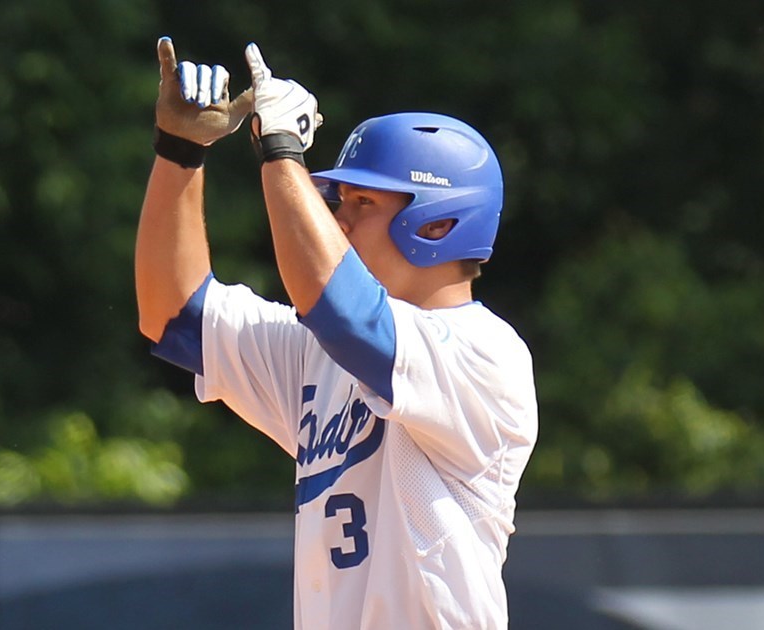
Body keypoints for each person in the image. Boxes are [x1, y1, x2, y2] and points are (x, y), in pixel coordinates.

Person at [134, 37, 538, 630]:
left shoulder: (486, 353)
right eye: (338, 200)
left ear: (439, 223)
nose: (337, 219)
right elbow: (173, 315)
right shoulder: (321, 350)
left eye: (361, 202)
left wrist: (280, 152)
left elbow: (348, 314)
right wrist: (179, 152)